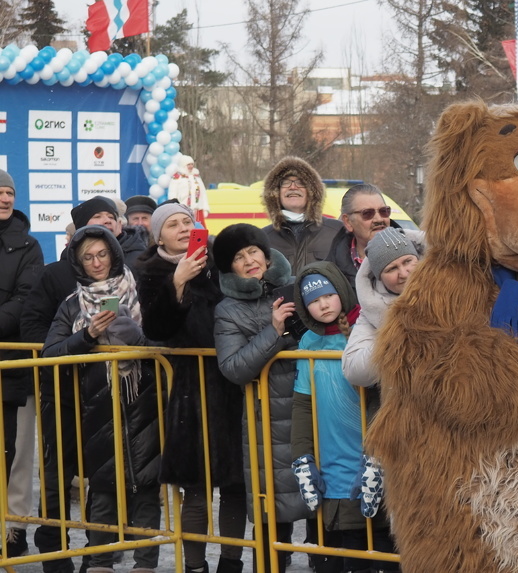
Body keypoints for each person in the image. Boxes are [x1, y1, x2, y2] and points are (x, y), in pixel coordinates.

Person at [41, 225, 161, 573]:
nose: (96, 262)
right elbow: (51, 354)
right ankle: (99, 563)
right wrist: (88, 335)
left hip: (144, 402)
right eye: (88, 257)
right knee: (104, 487)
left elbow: (166, 340)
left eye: (102, 254)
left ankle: (146, 564)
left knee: (146, 485)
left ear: (114, 252)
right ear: (78, 263)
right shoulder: (71, 304)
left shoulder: (140, 290)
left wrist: (139, 341)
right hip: (98, 407)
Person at [135, 204, 246, 573]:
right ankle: (194, 566)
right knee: (195, 486)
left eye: (187, 221)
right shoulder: (151, 271)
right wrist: (178, 281)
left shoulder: (218, 260)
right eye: (173, 224)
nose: (183, 228)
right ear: (158, 235)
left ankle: (231, 563)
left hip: (232, 381)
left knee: (235, 483)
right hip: (189, 388)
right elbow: (156, 328)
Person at [289, 262, 399, 573]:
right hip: (332, 462)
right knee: (343, 545)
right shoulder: (309, 342)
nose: (322, 304)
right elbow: (302, 404)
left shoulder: (367, 331)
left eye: (328, 295)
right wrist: (302, 457)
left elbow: (383, 397)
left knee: (382, 543)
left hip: (371, 456)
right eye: (312, 300)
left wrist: (377, 456)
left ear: (342, 291)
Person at [212, 223, 307, 571]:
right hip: (268, 420)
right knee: (274, 509)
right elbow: (234, 366)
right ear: (229, 268)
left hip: (311, 408)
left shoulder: (298, 285)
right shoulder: (228, 310)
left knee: (324, 501)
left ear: (265, 255)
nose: (249, 260)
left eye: (253, 251)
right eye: (238, 257)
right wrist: (275, 331)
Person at [0, 168, 44, 557]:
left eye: (9, 192)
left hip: (13, 361)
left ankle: (15, 529)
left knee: (17, 451)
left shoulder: (29, 245)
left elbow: (26, 297)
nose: (4, 198)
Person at [342, 227, 424, 388]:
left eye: (408, 261)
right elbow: (353, 370)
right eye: (391, 269)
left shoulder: (446, 287)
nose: (404, 273)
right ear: (379, 277)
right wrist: (397, 334)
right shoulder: (370, 310)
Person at [261, 156, 342, 272]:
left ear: (312, 191)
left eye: (301, 182)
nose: (293, 187)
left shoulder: (337, 232)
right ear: (275, 193)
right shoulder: (263, 238)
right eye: (285, 183)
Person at [327, 184, 402, 292]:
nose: (378, 219)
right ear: (348, 222)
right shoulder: (331, 274)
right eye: (367, 213)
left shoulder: (415, 258)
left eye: (383, 211)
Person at [71, 196, 148, 268]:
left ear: (119, 225)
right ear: (82, 226)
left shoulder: (139, 260)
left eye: (111, 217)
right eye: (97, 216)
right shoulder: (69, 261)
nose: (108, 221)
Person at [169, 155, 210, 227]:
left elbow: (203, 193)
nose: (191, 166)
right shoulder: (177, 177)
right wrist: (174, 209)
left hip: (197, 210)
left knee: (200, 231)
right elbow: (172, 194)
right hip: (182, 210)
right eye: (188, 164)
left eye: (192, 164)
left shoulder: (196, 177)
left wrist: (205, 208)